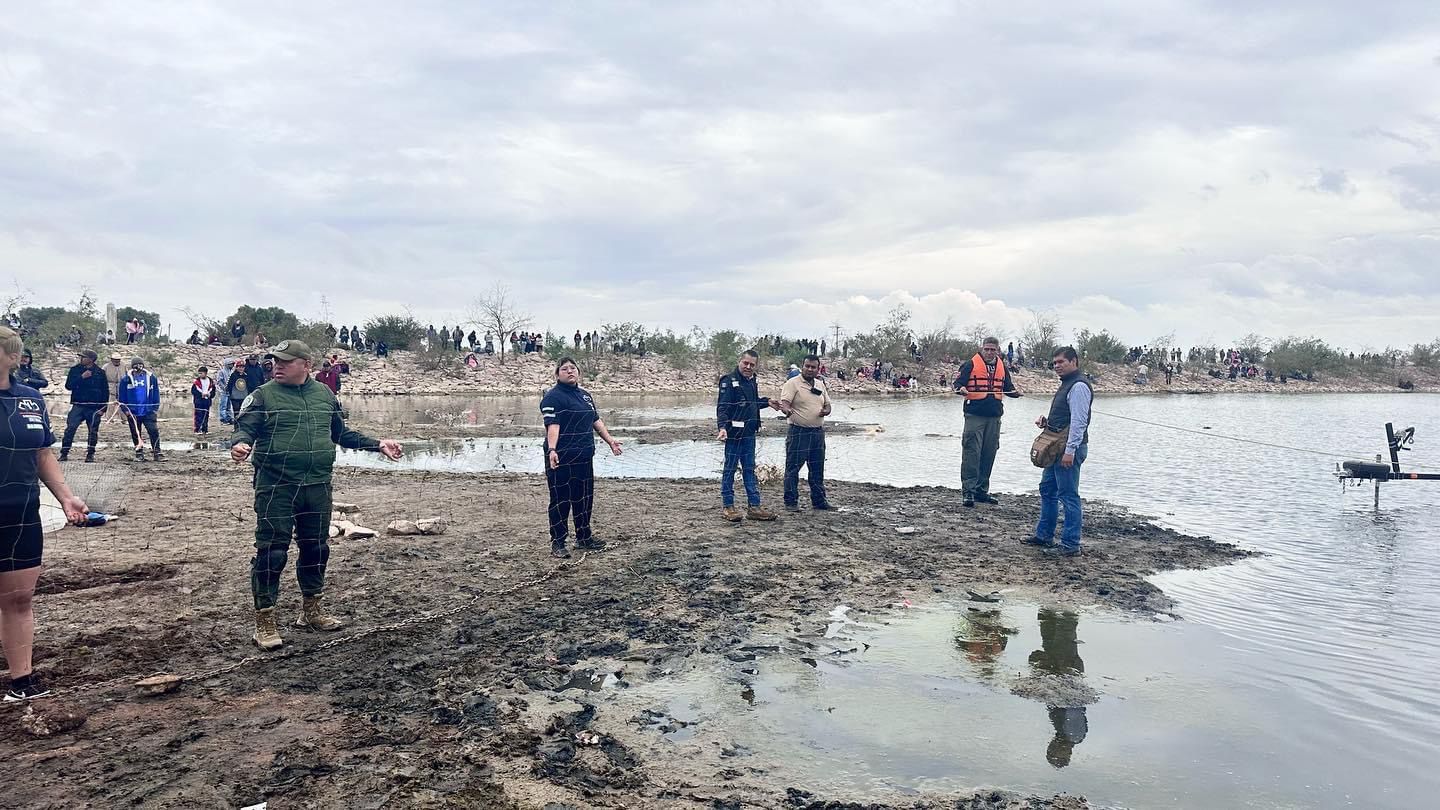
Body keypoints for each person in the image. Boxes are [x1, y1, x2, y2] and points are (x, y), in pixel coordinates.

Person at [229, 340, 403, 649]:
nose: (277, 366)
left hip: (317, 485)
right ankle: (265, 621)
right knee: (272, 552)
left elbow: (341, 435)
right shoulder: (262, 396)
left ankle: (311, 611)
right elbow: (244, 430)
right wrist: (240, 444)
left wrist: (377, 444)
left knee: (316, 548)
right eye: (274, 362)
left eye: (285, 361)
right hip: (275, 487)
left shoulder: (324, 395)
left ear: (306, 364)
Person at [0, 326, 90, 701]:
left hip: (20, 512)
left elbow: (43, 454)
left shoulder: (29, 399)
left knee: (18, 598)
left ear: (11, 357)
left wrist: (66, 497)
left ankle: (22, 682)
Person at [540, 357, 623, 559]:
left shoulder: (585, 396)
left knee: (584, 498)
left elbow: (596, 420)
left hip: (584, 455)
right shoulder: (553, 397)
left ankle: (584, 537)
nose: (570, 371)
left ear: (578, 372)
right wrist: (552, 449)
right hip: (561, 457)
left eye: (573, 368)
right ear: (557, 374)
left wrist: (610, 441)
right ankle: (558, 543)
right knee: (561, 501)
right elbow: (553, 426)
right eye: (565, 369)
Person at [1025, 347, 1092, 557]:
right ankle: (1043, 535)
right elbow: (1067, 418)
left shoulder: (1079, 386)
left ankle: (1071, 545)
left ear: (1074, 362)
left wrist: (1070, 451)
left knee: (1068, 496)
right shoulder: (1067, 384)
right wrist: (1047, 422)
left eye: (1061, 362)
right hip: (1056, 448)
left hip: (1068, 450)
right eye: (1054, 363)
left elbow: (1079, 423)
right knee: (1047, 490)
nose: (1057, 366)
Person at [954, 337, 1021, 508]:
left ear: (998, 350)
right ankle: (968, 491)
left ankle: (981, 491)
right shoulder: (970, 364)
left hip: (994, 415)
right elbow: (957, 384)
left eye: (993, 349)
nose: (990, 352)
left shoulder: (1002, 366)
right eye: (987, 349)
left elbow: (1008, 387)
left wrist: (1016, 393)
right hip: (974, 414)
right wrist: (960, 389)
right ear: (982, 348)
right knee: (972, 453)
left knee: (989, 453)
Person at [716, 350, 780, 522]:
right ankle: (728, 507)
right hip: (733, 435)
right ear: (740, 361)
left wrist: (767, 402)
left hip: (749, 434)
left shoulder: (752, 381)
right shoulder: (728, 381)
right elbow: (722, 408)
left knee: (749, 470)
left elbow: (751, 403)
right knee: (729, 470)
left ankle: (754, 507)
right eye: (746, 363)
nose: (748, 367)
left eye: (752, 364)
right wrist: (722, 428)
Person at [776, 354, 833, 512]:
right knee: (793, 468)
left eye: (813, 367)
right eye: (807, 366)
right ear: (803, 366)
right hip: (798, 432)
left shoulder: (820, 384)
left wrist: (825, 411)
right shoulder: (792, 383)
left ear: (817, 368)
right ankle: (791, 503)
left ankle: (819, 501)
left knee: (817, 468)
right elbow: (785, 403)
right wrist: (786, 410)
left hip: (817, 433)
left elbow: (828, 405)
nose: (809, 369)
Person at [59, 349, 110, 462]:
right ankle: (64, 453)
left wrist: (103, 408)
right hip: (78, 405)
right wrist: (81, 377)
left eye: (84, 357)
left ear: (91, 360)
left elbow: (105, 391)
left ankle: (90, 454)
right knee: (70, 429)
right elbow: (68, 386)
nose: (81, 359)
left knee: (93, 431)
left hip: (94, 407)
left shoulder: (100, 372)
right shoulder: (75, 370)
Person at [117, 357, 163, 462]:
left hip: (148, 411)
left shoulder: (151, 378)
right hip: (133, 412)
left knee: (153, 431)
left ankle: (157, 452)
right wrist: (126, 410)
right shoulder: (126, 379)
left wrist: (155, 408)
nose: (138, 368)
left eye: (140, 365)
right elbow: (122, 397)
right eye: (136, 366)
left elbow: (155, 394)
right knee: (136, 433)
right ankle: (139, 453)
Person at [191, 366, 215, 435]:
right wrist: (200, 395)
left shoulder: (210, 381)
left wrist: (209, 395)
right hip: (199, 401)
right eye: (199, 373)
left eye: (201, 373)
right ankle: (197, 430)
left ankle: (205, 429)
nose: (200, 375)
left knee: (206, 415)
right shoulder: (196, 382)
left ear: (206, 373)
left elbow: (213, 391)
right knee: (198, 415)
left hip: (207, 401)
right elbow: (193, 391)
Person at [217, 358, 237, 425]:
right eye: (230, 364)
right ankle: (223, 419)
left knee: (228, 406)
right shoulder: (221, 372)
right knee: (223, 406)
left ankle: (229, 418)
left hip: (230, 392)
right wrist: (223, 387)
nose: (232, 365)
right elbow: (219, 381)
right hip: (223, 392)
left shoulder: (231, 372)